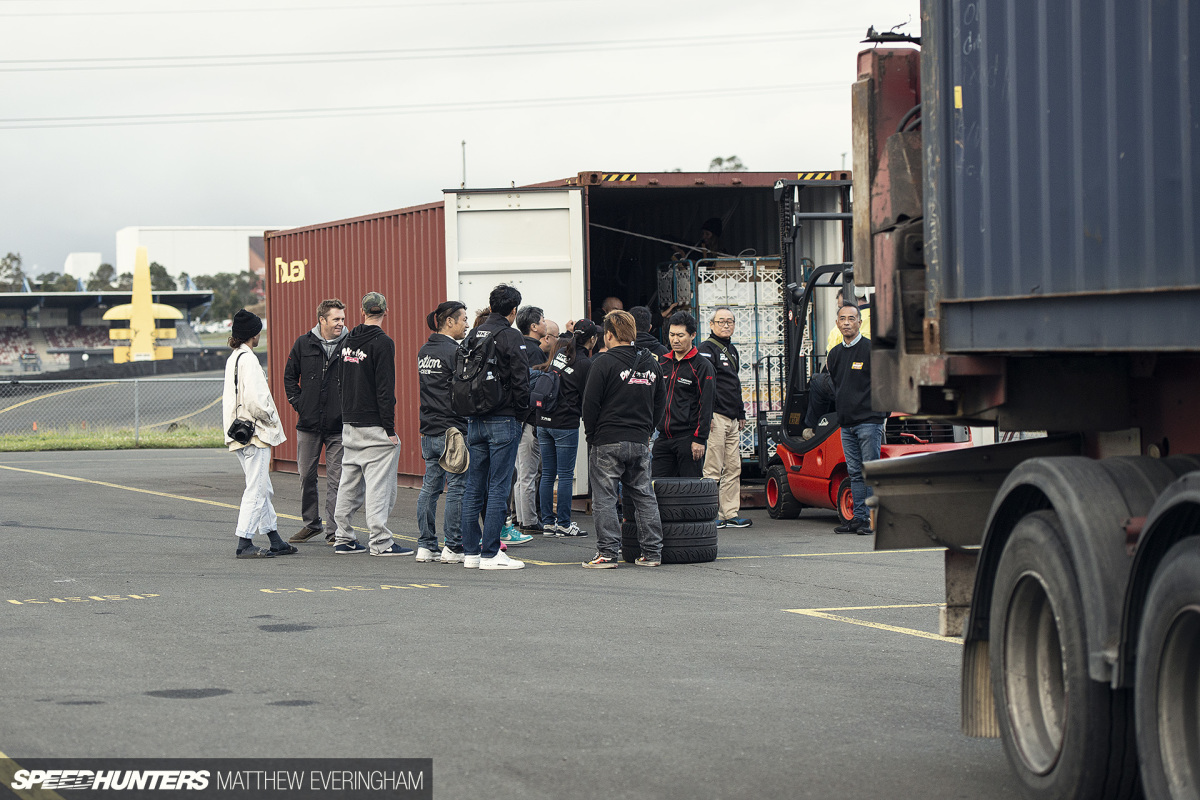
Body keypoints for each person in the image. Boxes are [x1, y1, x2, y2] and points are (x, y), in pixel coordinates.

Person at [581, 310, 666, 568]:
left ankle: (607, 553)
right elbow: (660, 403)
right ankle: (652, 553)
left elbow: (590, 404)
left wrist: (592, 436)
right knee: (644, 496)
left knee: (605, 498)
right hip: (640, 440)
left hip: (608, 439)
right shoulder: (651, 363)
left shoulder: (603, 363)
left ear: (609, 334)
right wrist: (648, 431)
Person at [331, 292, 412, 556]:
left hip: (350, 423)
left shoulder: (347, 341)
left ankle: (343, 537)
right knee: (379, 485)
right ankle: (380, 541)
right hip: (374, 424)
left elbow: (340, 382)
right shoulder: (383, 343)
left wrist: (346, 415)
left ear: (362, 311)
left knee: (349, 482)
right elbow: (385, 389)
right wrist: (389, 430)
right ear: (386, 311)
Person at [459, 284, 531, 570]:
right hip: (503, 417)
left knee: (473, 486)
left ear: (490, 306)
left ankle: (471, 552)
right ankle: (491, 552)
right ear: (513, 311)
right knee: (499, 486)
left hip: (474, 418)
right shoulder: (511, 335)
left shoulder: (474, 334)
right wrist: (521, 414)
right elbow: (521, 380)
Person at [222, 309, 293, 559]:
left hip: (238, 433)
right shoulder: (250, 360)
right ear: (253, 334)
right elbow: (256, 401)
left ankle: (275, 539)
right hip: (256, 434)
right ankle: (244, 542)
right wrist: (271, 417)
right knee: (256, 489)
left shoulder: (234, 358)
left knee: (263, 487)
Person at [283, 299, 348, 544]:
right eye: (336, 319)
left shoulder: (350, 344)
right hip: (309, 424)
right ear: (322, 320)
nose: (341, 323)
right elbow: (290, 377)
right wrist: (299, 403)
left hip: (339, 426)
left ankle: (334, 531)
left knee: (336, 480)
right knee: (306, 475)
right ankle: (311, 524)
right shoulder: (304, 343)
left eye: (342, 319)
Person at [416, 300, 470, 564]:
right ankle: (453, 546)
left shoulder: (424, 350)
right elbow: (464, 391)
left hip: (429, 428)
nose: (467, 325)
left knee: (430, 487)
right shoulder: (455, 352)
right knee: (457, 488)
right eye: (464, 319)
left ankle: (426, 546)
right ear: (449, 321)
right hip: (453, 430)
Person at [827, 303, 887, 535]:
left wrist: (881, 415)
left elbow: (884, 383)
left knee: (869, 471)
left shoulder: (871, 350)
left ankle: (871, 520)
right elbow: (836, 384)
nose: (847, 323)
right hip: (847, 424)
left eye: (851, 318)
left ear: (859, 322)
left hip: (869, 422)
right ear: (837, 323)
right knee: (854, 472)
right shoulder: (835, 354)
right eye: (842, 319)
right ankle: (858, 519)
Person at [534, 319, 598, 537]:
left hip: (544, 419)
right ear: (592, 339)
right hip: (565, 423)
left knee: (548, 473)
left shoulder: (561, 353)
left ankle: (548, 523)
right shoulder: (585, 363)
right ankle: (563, 523)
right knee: (564, 474)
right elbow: (588, 396)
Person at [698, 306, 751, 528]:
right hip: (716, 417)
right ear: (711, 324)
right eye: (721, 321)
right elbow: (704, 385)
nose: (726, 325)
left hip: (732, 418)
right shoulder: (706, 349)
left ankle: (729, 513)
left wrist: (741, 412)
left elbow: (734, 384)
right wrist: (706, 415)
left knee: (733, 467)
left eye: (730, 321)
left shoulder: (733, 350)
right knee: (712, 468)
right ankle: (710, 513)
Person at [652, 311, 714, 478]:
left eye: (680, 335)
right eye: (672, 335)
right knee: (657, 486)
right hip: (662, 438)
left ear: (692, 335)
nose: (675, 340)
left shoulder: (702, 366)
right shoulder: (662, 363)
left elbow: (706, 404)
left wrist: (700, 439)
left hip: (688, 439)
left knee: (690, 488)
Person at [506, 304, 547, 544]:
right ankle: (529, 519)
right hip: (530, 419)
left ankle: (519, 516)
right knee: (529, 471)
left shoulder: (517, 346)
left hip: (517, 418)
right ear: (533, 326)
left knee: (521, 471)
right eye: (542, 321)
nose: (544, 324)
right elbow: (535, 388)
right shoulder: (535, 353)